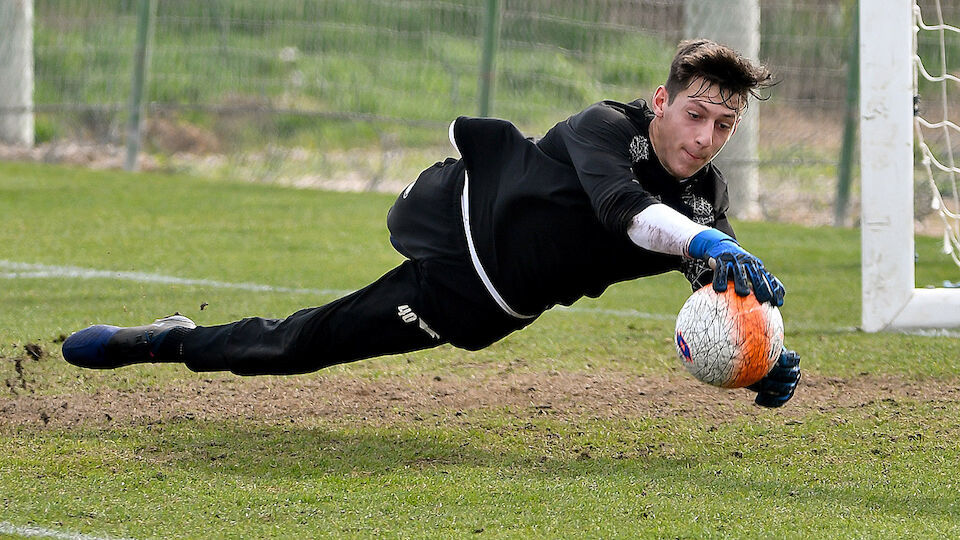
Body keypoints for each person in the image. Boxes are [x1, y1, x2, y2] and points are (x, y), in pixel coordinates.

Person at [63, 39, 801, 407]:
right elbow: (626, 213)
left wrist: (762, 354)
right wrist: (704, 242)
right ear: (662, 100)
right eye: (696, 115)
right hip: (457, 222)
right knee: (300, 343)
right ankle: (164, 344)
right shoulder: (606, 126)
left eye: (725, 125)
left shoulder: (704, 201)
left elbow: (718, 285)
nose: (705, 137)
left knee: (300, 348)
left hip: (479, 300)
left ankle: (180, 333)